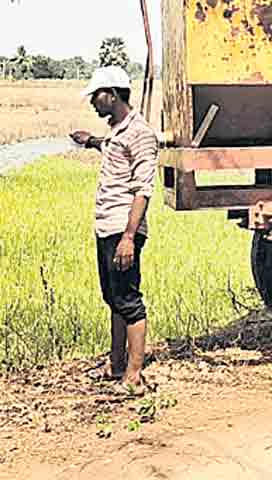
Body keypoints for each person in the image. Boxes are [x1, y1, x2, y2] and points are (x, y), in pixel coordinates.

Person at [70, 66, 158, 395]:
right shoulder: (116, 131)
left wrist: (129, 238)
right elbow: (110, 148)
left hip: (123, 230)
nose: (93, 102)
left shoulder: (140, 133)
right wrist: (90, 141)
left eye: (96, 96)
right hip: (106, 227)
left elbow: (143, 191)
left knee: (129, 301)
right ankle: (116, 363)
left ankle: (133, 376)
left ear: (113, 94)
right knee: (113, 299)